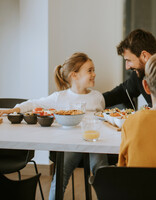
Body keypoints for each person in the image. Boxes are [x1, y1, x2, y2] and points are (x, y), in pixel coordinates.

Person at [0, 52, 108, 200]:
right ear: (74, 75)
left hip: (93, 142)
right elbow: (34, 103)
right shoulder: (60, 98)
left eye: (93, 70)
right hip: (69, 145)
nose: (94, 74)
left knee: (102, 172)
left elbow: (100, 120)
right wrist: (14, 110)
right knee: (60, 177)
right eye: (89, 70)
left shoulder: (97, 97)